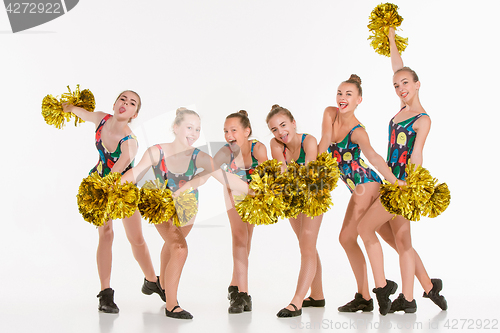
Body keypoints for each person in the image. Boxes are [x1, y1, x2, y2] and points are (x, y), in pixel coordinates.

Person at [357, 27, 447, 314]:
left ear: (418, 84)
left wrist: (411, 188)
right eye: (396, 86)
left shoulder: (422, 119)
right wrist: (392, 40)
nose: (400, 88)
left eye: (405, 83)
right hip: (390, 181)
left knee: (367, 228)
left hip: (402, 185)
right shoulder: (401, 108)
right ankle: (419, 292)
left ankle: (399, 291)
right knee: (402, 241)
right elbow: (398, 66)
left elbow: (417, 153)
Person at [62, 91, 161, 314]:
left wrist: (103, 190)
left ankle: (152, 281)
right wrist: (67, 108)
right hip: (98, 181)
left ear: (136, 113)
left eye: (132, 103)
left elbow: (116, 173)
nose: (125, 104)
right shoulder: (101, 118)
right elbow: (83, 113)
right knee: (105, 234)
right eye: (122, 99)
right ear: (115, 103)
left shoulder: (130, 142)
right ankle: (105, 293)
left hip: (120, 189)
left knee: (136, 240)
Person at [317, 75, 403, 313]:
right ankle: (368, 296)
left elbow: (374, 157)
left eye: (348, 95)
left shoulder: (358, 131)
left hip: (366, 184)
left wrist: (394, 181)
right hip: (358, 187)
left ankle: (377, 289)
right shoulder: (329, 114)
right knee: (389, 240)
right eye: (339, 93)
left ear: (359, 100)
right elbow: (324, 141)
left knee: (351, 235)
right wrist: (308, 169)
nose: (342, 98)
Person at [266, 104, 324, 318]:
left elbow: (310, 170)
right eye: (274, 129)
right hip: (291, 196)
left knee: (307, 245)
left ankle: (296, 301)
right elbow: (281, 169)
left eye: (283, 125)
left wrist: (291, 179)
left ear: (293, 123)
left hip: (312, 194)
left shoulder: (308, 140)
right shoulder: (275, 145)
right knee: (305, 244)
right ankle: (317, 295)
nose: (280, 132)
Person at [212, 110, 268, 314]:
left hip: (254, 195)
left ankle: (234, 284)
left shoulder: (259, 148)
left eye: (233, 130)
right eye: (225, 131)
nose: (228, 135)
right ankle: (243, 295)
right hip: (232, 193)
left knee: (247, 237)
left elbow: (268, 175)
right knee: (239, 235)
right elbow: (209, 166)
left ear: (247, 131)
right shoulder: (226, 151)